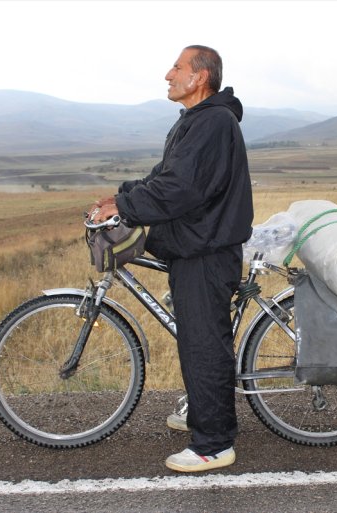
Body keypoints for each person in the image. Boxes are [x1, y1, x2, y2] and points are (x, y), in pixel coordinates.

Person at [91, 45, 254, 472]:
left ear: (200, 77)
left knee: (204, 345)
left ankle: (215, 444)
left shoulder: (212, 122)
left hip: (206, 250)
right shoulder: (197, 121)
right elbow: (167, 177)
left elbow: (180, 190)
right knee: (196, 340)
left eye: (177, 67)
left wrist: (125, 208)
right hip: (195, 245)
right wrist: (123, 195)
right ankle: (203, 412)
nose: (168, 74)